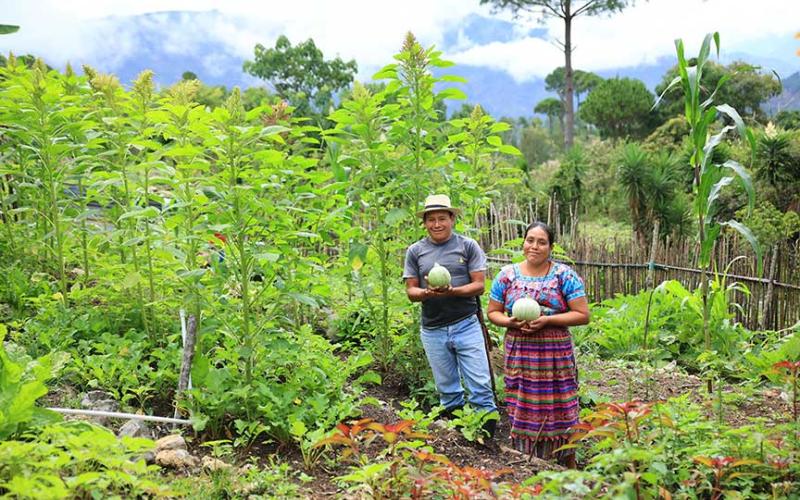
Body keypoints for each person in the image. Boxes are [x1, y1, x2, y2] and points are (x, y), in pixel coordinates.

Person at [487, 222, 589, 467]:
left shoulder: (564, 275)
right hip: (520, 353)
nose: (534, 246)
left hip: (555, 355)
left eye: (541, 242)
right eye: (530, 240)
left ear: (551, 247)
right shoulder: (506, 275)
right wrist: (510, 322)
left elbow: (582, 314)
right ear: (523, 242)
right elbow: (493, 312)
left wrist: (547, 320)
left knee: (561, 403)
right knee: (523, 402)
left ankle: (566, 459)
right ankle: (526, 459)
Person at [403, 194, 498, 435]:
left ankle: (487, 435)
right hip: (433, 328)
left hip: (466, 323)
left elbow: (479, 285)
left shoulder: (467, 246)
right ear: (424, 222)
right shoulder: (415, 251)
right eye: (431, 219)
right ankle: (458, 435)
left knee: (480, 382)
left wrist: (452, 290)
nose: (437, 224)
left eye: (442, 218)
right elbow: (411, 292)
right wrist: (428, 292)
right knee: (447, 387)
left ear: (452, 219)